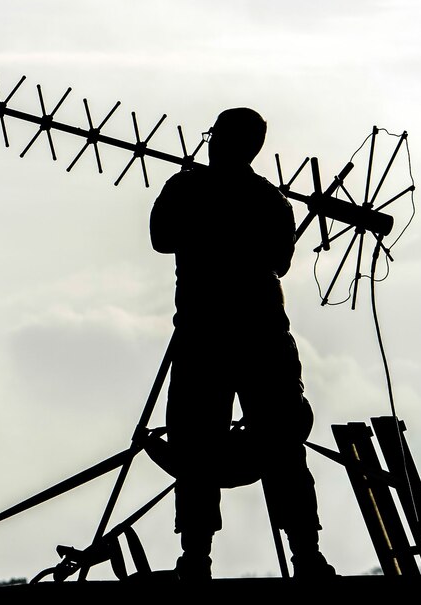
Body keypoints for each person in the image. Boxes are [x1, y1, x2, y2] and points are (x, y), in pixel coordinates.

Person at [149, 107, 335, 580]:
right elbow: (281, 260)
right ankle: (304, 557)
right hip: (256, 339)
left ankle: (198, 560)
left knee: (202, 447)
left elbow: (161, 237)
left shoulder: (188, 188)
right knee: (270, 447)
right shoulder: (269, 201)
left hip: (211, 339)